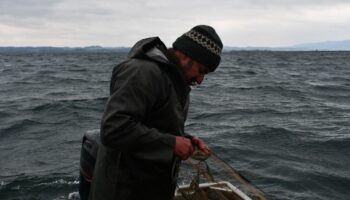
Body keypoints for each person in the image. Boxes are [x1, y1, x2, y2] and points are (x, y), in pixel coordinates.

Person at [88, 25, 223, 200]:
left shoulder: (174, 79)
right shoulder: (143, 71)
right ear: (186, 54)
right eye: (201, 71)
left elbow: (152, 124)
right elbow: (114, 128)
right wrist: (172, 144)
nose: (200, 80)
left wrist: (185, 139)